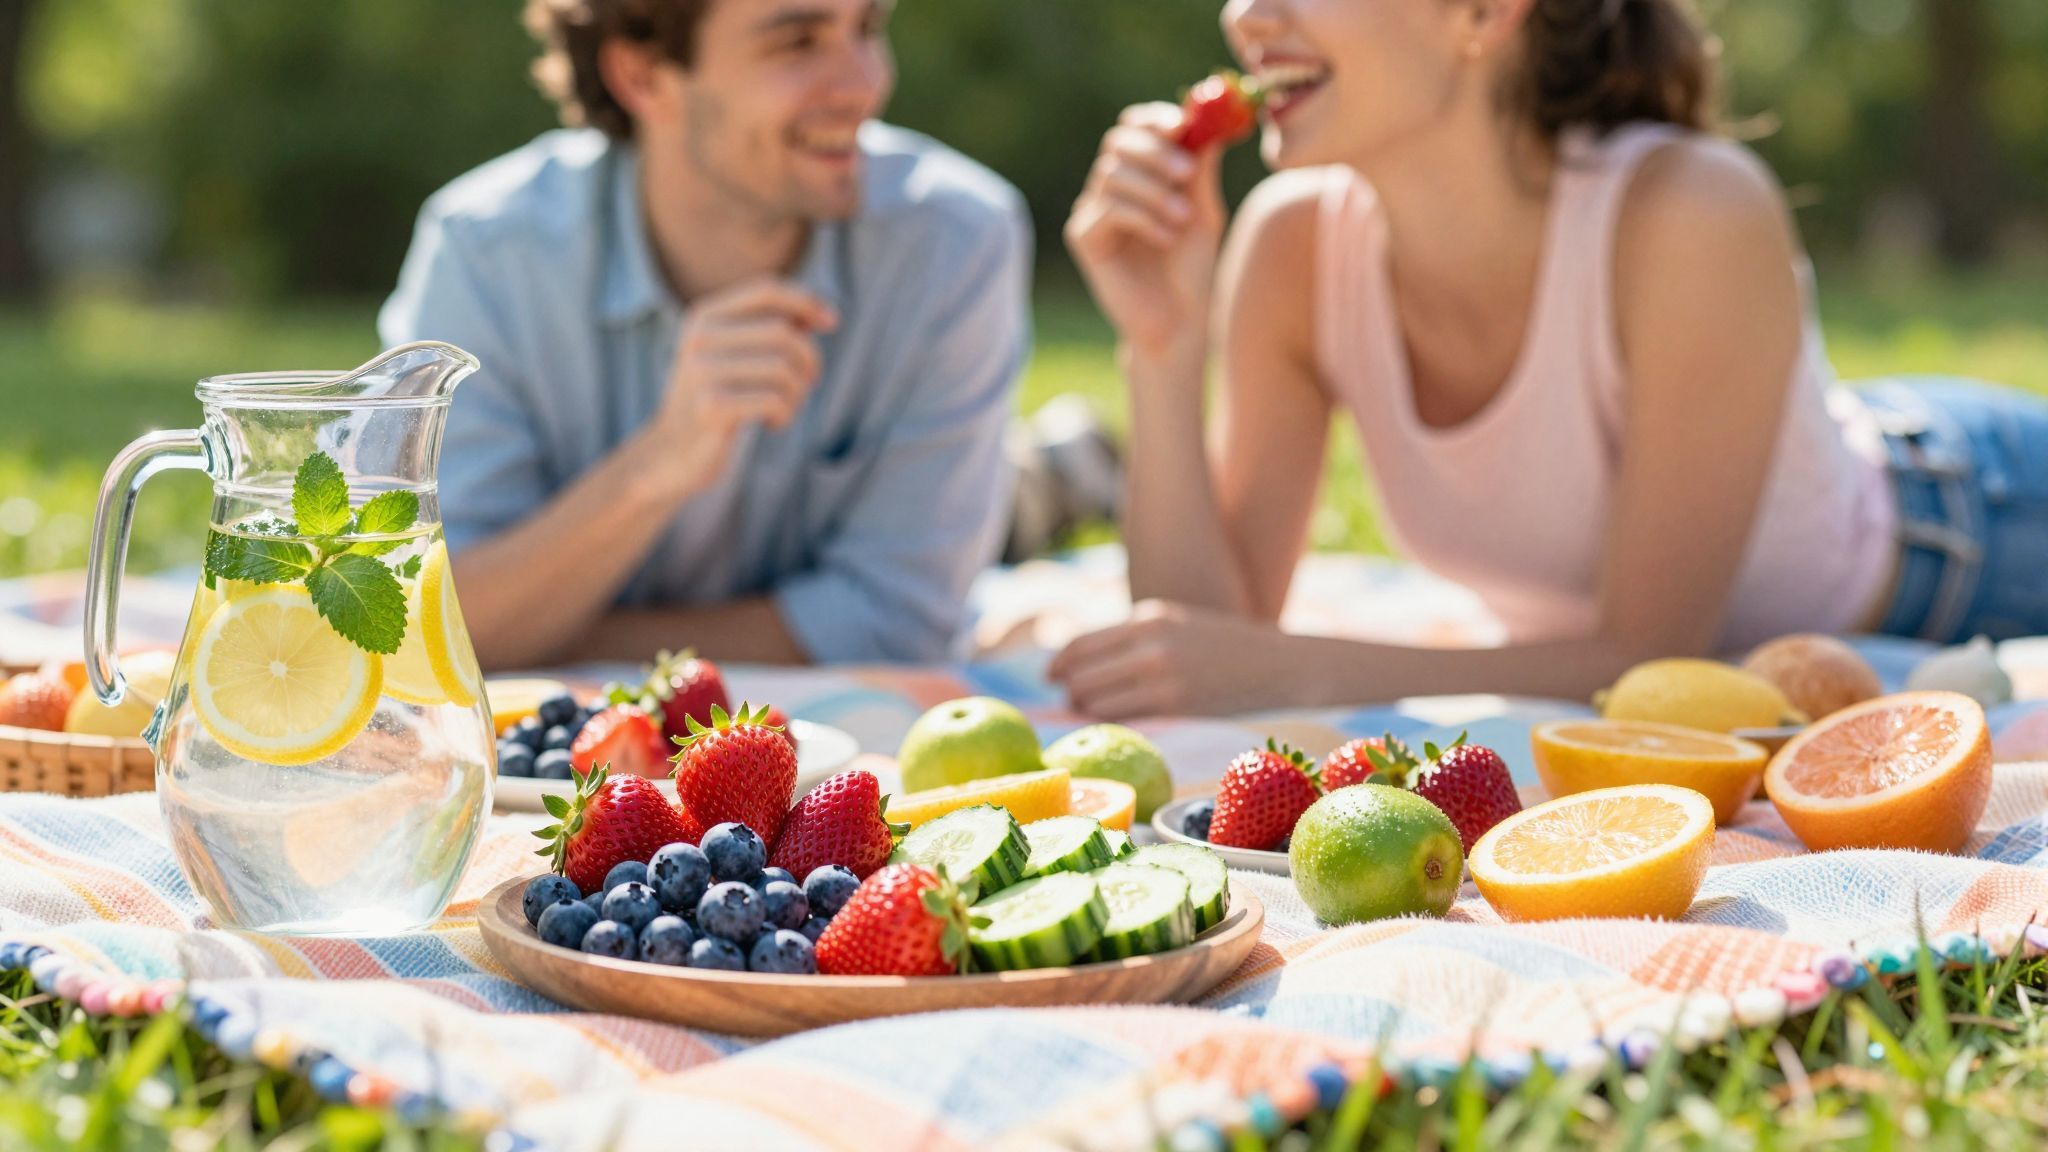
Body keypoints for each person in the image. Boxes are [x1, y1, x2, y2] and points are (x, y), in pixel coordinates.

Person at [1049, 0, 2048, 719]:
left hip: (1968, 531)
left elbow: (1647, 657)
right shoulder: (1290, 246)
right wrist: (1161, 344)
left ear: (1483, 15)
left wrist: (1292, 669)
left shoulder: (1690, 211)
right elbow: (1187, 651)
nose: (1240, 15)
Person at [380, 0, 1032, 669]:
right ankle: (1049, 475)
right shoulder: (486, 253)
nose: (865, 83)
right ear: (643, 77)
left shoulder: (955, 240)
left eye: (866, 29)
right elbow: (417, 619)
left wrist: (546, 634)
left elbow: (897, 627)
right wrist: (655, 468)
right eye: (798, 42)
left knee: (1015, 522)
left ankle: (1045, 479)